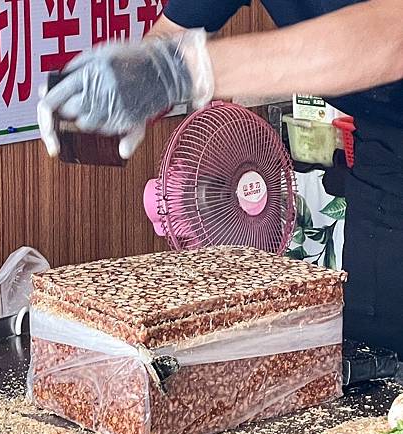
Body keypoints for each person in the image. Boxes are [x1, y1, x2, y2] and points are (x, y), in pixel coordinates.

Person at [38, 0, 403, 358]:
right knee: (376, 348)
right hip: (385, 145)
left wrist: (182, 71)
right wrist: (130, 81)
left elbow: (393, 37)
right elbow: (172, 35)